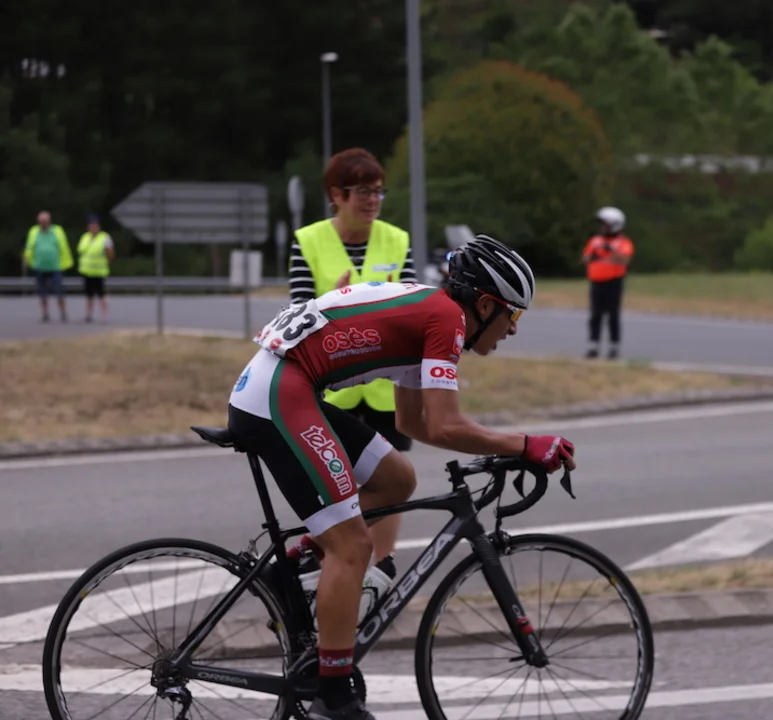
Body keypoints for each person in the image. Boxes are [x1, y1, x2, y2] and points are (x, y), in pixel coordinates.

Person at [227, 234, 576, 720]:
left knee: (395, 478)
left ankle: (301, 559)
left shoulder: (432, 313)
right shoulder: (447, 319)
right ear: (485, 305)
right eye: (512, 315)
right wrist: (525, 444)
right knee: (353, 547)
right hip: (279, 394)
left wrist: (508, 446)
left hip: (281, 385)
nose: (513, 329)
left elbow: (415, 424)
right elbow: (447, 425)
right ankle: (334, 697)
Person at [288, 148, 417, 457]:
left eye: (378, 191)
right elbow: (296, 318)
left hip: (387, 389)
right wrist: (331, 303)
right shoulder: (308, 241)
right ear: (337, 194)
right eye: (363, 192)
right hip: (332, 390)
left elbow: (414, 313)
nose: (373, 200)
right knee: (338, 478)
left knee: (395, 480)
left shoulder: (398, 240)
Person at [583, 206, 635, 360]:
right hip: (596, 282)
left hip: (613, 282)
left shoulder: (623, 242)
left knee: (613, 315)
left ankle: (614, 347)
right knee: (595, 315)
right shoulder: (595, 240)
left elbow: (625, 260)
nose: (603, 227)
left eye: (605, 224)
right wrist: (592, 257)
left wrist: (610, 250)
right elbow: (585, 258)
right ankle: (593, 346)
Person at [22, 210, 73, 323]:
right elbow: (29, 246)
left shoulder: (57, 231)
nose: (44, 223)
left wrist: (66, 262)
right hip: (39, 266)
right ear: (38, 222)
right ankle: (45, 313)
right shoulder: (34, 232)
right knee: (42, 292)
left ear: (49, 221)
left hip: (56, 266)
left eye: (46, 221)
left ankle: (63, 312)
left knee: (59, 290)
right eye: (42, 221)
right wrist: (26, 258)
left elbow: (64, 246)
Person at [77, 214, 115, 323]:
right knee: (88, 294)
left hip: (99, 271)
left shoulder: (105, 237)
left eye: (95, 225)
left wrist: (109, 262)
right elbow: (81, 251)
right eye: (91, 225)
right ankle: (89, 314)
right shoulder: (85, 237)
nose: (93, 227)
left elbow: (110, 253)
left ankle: (104, 315)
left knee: (101, 294)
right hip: (87, 270)